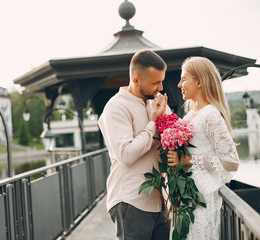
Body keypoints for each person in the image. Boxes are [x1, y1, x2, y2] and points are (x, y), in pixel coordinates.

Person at [98, 49, 170, 240]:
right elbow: (126, 155)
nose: (160, 87)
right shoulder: (116, 107)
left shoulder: (154, 103)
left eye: (161, 81)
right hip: (131, 202)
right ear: (136, 80)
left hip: (159, 202)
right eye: (155, 82)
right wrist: (153, 123)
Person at [167, 56, 240, 239]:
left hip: (202, 199)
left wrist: (189, 160)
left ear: (199, 82)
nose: (179, 84)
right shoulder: (191, 114)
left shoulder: (211, 115)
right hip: (186, 199)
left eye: (184, 79)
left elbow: (232, 162)